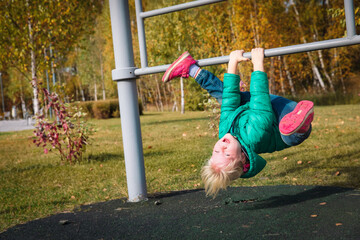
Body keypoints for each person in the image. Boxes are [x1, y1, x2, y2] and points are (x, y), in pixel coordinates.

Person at [162, 48, 314, 197]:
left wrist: (232, 62)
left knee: (224, 96)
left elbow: (229, 101)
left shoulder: (224, 133)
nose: (222, 146)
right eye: (227, 153)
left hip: (256, 110)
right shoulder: (254, 137)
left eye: (216, 151)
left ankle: (191, 68)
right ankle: (301, 125)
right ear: (242, 157)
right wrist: (258, 63)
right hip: (282, 113)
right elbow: (260, 98)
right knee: (289, 134)